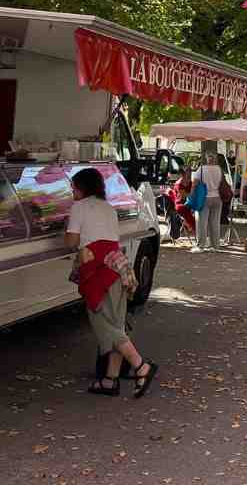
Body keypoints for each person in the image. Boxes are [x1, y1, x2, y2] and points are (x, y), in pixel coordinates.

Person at [66, 167, 158, 398]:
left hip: (97, 270)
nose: (72, 191)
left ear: (82, 188)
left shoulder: (78, 207)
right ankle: (110, 379)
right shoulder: (108, 208)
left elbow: (71, 241)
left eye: (74, 187)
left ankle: (141, 366)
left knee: (104, 326)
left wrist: (67, 234)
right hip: (117, 266)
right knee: (116, 324)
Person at [191, 149, 223, 252]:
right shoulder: (219, 169)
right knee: (215, 223)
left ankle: (201, 246)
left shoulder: (201, 169)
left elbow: (195, 183)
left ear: (206, 158)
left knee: (202, 223)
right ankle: (215, 246)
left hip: (204, 198)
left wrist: (192, 195)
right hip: (217, 198)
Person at [170, 166, 195, 239]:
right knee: (185, 208)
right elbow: (184, 197)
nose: (190, 175)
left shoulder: (191, 183)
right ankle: (194, 228)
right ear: (183, 174)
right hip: (180, 204)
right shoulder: (179, 184)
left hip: (190, 203)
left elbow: (191, 195)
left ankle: (192, 226)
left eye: (190, 173)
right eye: (188, 173)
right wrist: (193, 193)